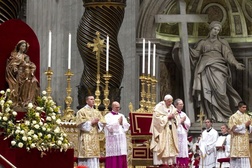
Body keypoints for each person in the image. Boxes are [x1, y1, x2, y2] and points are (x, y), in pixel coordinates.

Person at [189, 21, 245, 122]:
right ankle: (209, 116)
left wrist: (236, 63)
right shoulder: (203, 43)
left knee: (221, 92)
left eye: (218, 30)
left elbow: (228, 55)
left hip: (219, 68)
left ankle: (225, 115)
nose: (216, 31)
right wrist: (183, 46)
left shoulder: (222, 42)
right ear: (210, 29)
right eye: (215, 29)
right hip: (205, 68)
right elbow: (195, 54)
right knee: (207, 92)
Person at [5, 40, 40, 108]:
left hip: (26, 74)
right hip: (18, 74)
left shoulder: (26, 56)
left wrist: (31, 72)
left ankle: (26, 101)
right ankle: (19, 101)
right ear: (19, 46)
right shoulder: (14, 55)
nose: (24, 47)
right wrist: (14, 68)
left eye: (25, 46)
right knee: (19, 84)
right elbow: (10, 65)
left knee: (34, 81)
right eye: (22, 46)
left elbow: (31, 65)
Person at [76, 95, 106, 168]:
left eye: (93, 99)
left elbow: (103, 123)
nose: (93, 101)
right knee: (86, 157)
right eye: (91, 99)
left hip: (94, 137)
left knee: (94, 157)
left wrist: (98, 123)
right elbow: (80, 125)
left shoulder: (96, 112)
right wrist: (91, 122)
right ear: (87, 101)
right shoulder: (81, 111)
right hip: (86, 137)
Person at [149, 94, 179, 166]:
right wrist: (167, 117)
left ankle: (169, 163)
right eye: (169, 101)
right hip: (162, 130)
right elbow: (156, 119)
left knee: (171, 147)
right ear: (164, 100)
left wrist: (174, 118)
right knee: (162, 145)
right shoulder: (159, 107)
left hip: (170, 130)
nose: (170, 103)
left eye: (171, 101)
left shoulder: (172, 107)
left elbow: (176, 117)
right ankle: (161, 163)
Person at [104, 101, 130, 168]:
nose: (118, 109)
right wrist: (117, 122)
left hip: (121, 140)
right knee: (113, 157)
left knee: (122, 154)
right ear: (112, 107)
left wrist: (122, 124)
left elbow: (126, 126)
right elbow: (109, 128)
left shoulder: (122, 115)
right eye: (116, 107)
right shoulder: (107, 116)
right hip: (112, 139)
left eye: (119, 107)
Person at [228, 101, 252, 167]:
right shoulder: (233, 117)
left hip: (245, 141)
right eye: (243, 107)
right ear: (239, 107)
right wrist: (244, 125)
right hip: (237, 141)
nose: (245, 109)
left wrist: (248, 126)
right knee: (237, 161)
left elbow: (250, 129)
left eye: (245, 107)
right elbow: (233, 129)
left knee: (245, 159)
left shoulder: (247, 117)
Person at [174, 98, 191, 167]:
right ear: (176, 105)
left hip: (183, 135)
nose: (182, 105)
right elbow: (173, 124)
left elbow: (188, 124)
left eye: (182, 104)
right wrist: (180, 121)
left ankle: (183, 165)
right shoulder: (173, 113)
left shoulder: (184, 114)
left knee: (183, 151)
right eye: (180, 104)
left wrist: (183, 121)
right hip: (176, 134)